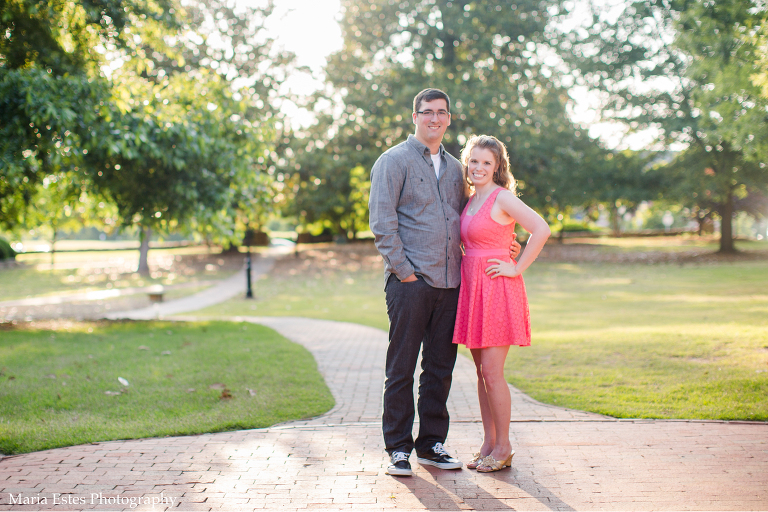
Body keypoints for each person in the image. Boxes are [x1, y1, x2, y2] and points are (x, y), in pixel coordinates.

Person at [368, 89, 521, 477]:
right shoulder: (392, 161)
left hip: (453, 286)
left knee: (440, 368)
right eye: (427, 112)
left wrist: (507, 244)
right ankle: (398, 449)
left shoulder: (458, 169)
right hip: (410, 283)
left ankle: (431, 444)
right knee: (401, 367)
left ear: (449, 118)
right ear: (415, 116)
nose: (434, 119)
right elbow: (383, 224)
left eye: (441, 113)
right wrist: (405, 272)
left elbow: (472, 217)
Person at [451, 135, 551, 473]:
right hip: (473, 290)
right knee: (481, 374)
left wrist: (516, 265)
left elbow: (541, 228)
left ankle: (504, 446)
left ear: (497, 167)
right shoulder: (470, 199)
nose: (479, 168)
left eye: (486, 163)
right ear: (467, 163)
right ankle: (489, 443)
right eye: (474, 161)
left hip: (497, 290)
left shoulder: (502, 197)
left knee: (493, 372)